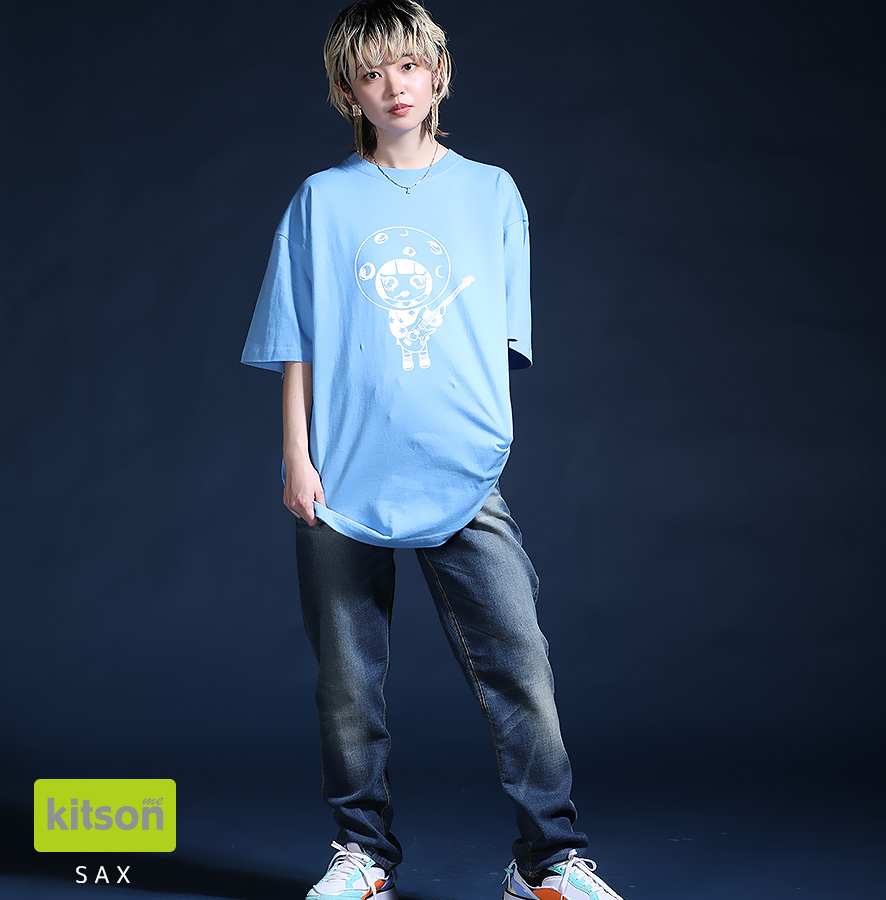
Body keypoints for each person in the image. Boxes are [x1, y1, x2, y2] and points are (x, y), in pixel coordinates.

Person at [241, 2, 626, 898]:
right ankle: (362, 855)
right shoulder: (321, 200)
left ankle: (549, 861)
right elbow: (298, 338)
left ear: (438, 73)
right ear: (349, 92)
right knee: (348, 682)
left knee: (519, 663)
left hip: (461, 469)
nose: (395, 86)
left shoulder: (492, 192)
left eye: (409, 65)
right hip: (342, 473)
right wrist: (297, 453)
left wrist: (489, 437)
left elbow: (495, 340)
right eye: (372, 72)